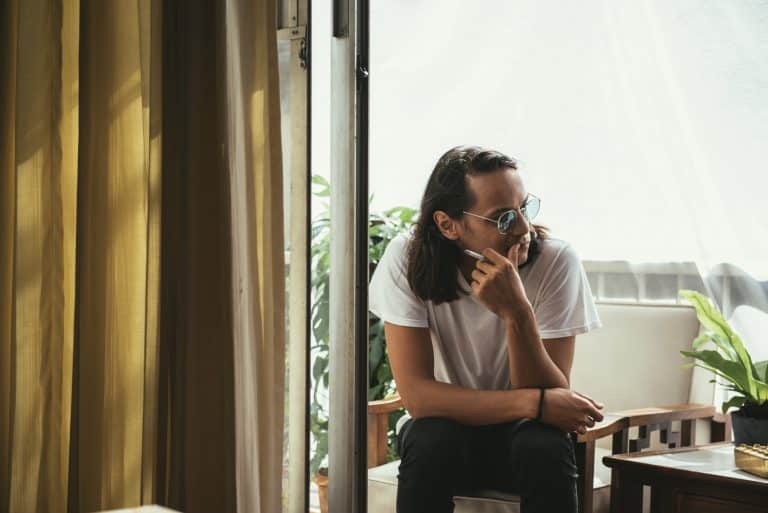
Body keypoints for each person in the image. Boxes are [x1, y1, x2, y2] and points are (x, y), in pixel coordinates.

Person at [369, 146, 606, 513]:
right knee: (430, 437)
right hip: (447, 434)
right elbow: (418, 397)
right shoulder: (407, 259)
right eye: (503, 219)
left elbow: (554, 393)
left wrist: (517, 313)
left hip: (525, 439)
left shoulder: (557, 260)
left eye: (525, 208)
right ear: (448, 225)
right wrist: (532, 403)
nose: (524, 228)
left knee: (543, 444)